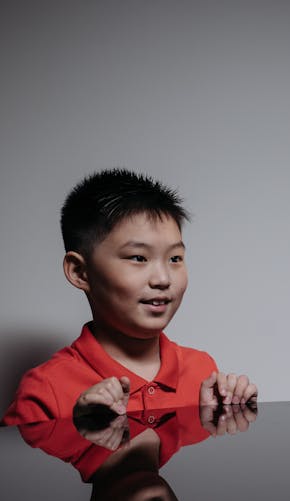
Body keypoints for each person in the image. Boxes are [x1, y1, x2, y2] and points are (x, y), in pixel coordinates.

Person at [1, 169, 257, 425]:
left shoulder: (202, 371)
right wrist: (79, 434)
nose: (163, 279)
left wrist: (221, 419)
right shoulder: (46, 390)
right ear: (80, 272)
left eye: (175, 258)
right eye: (138, 258)